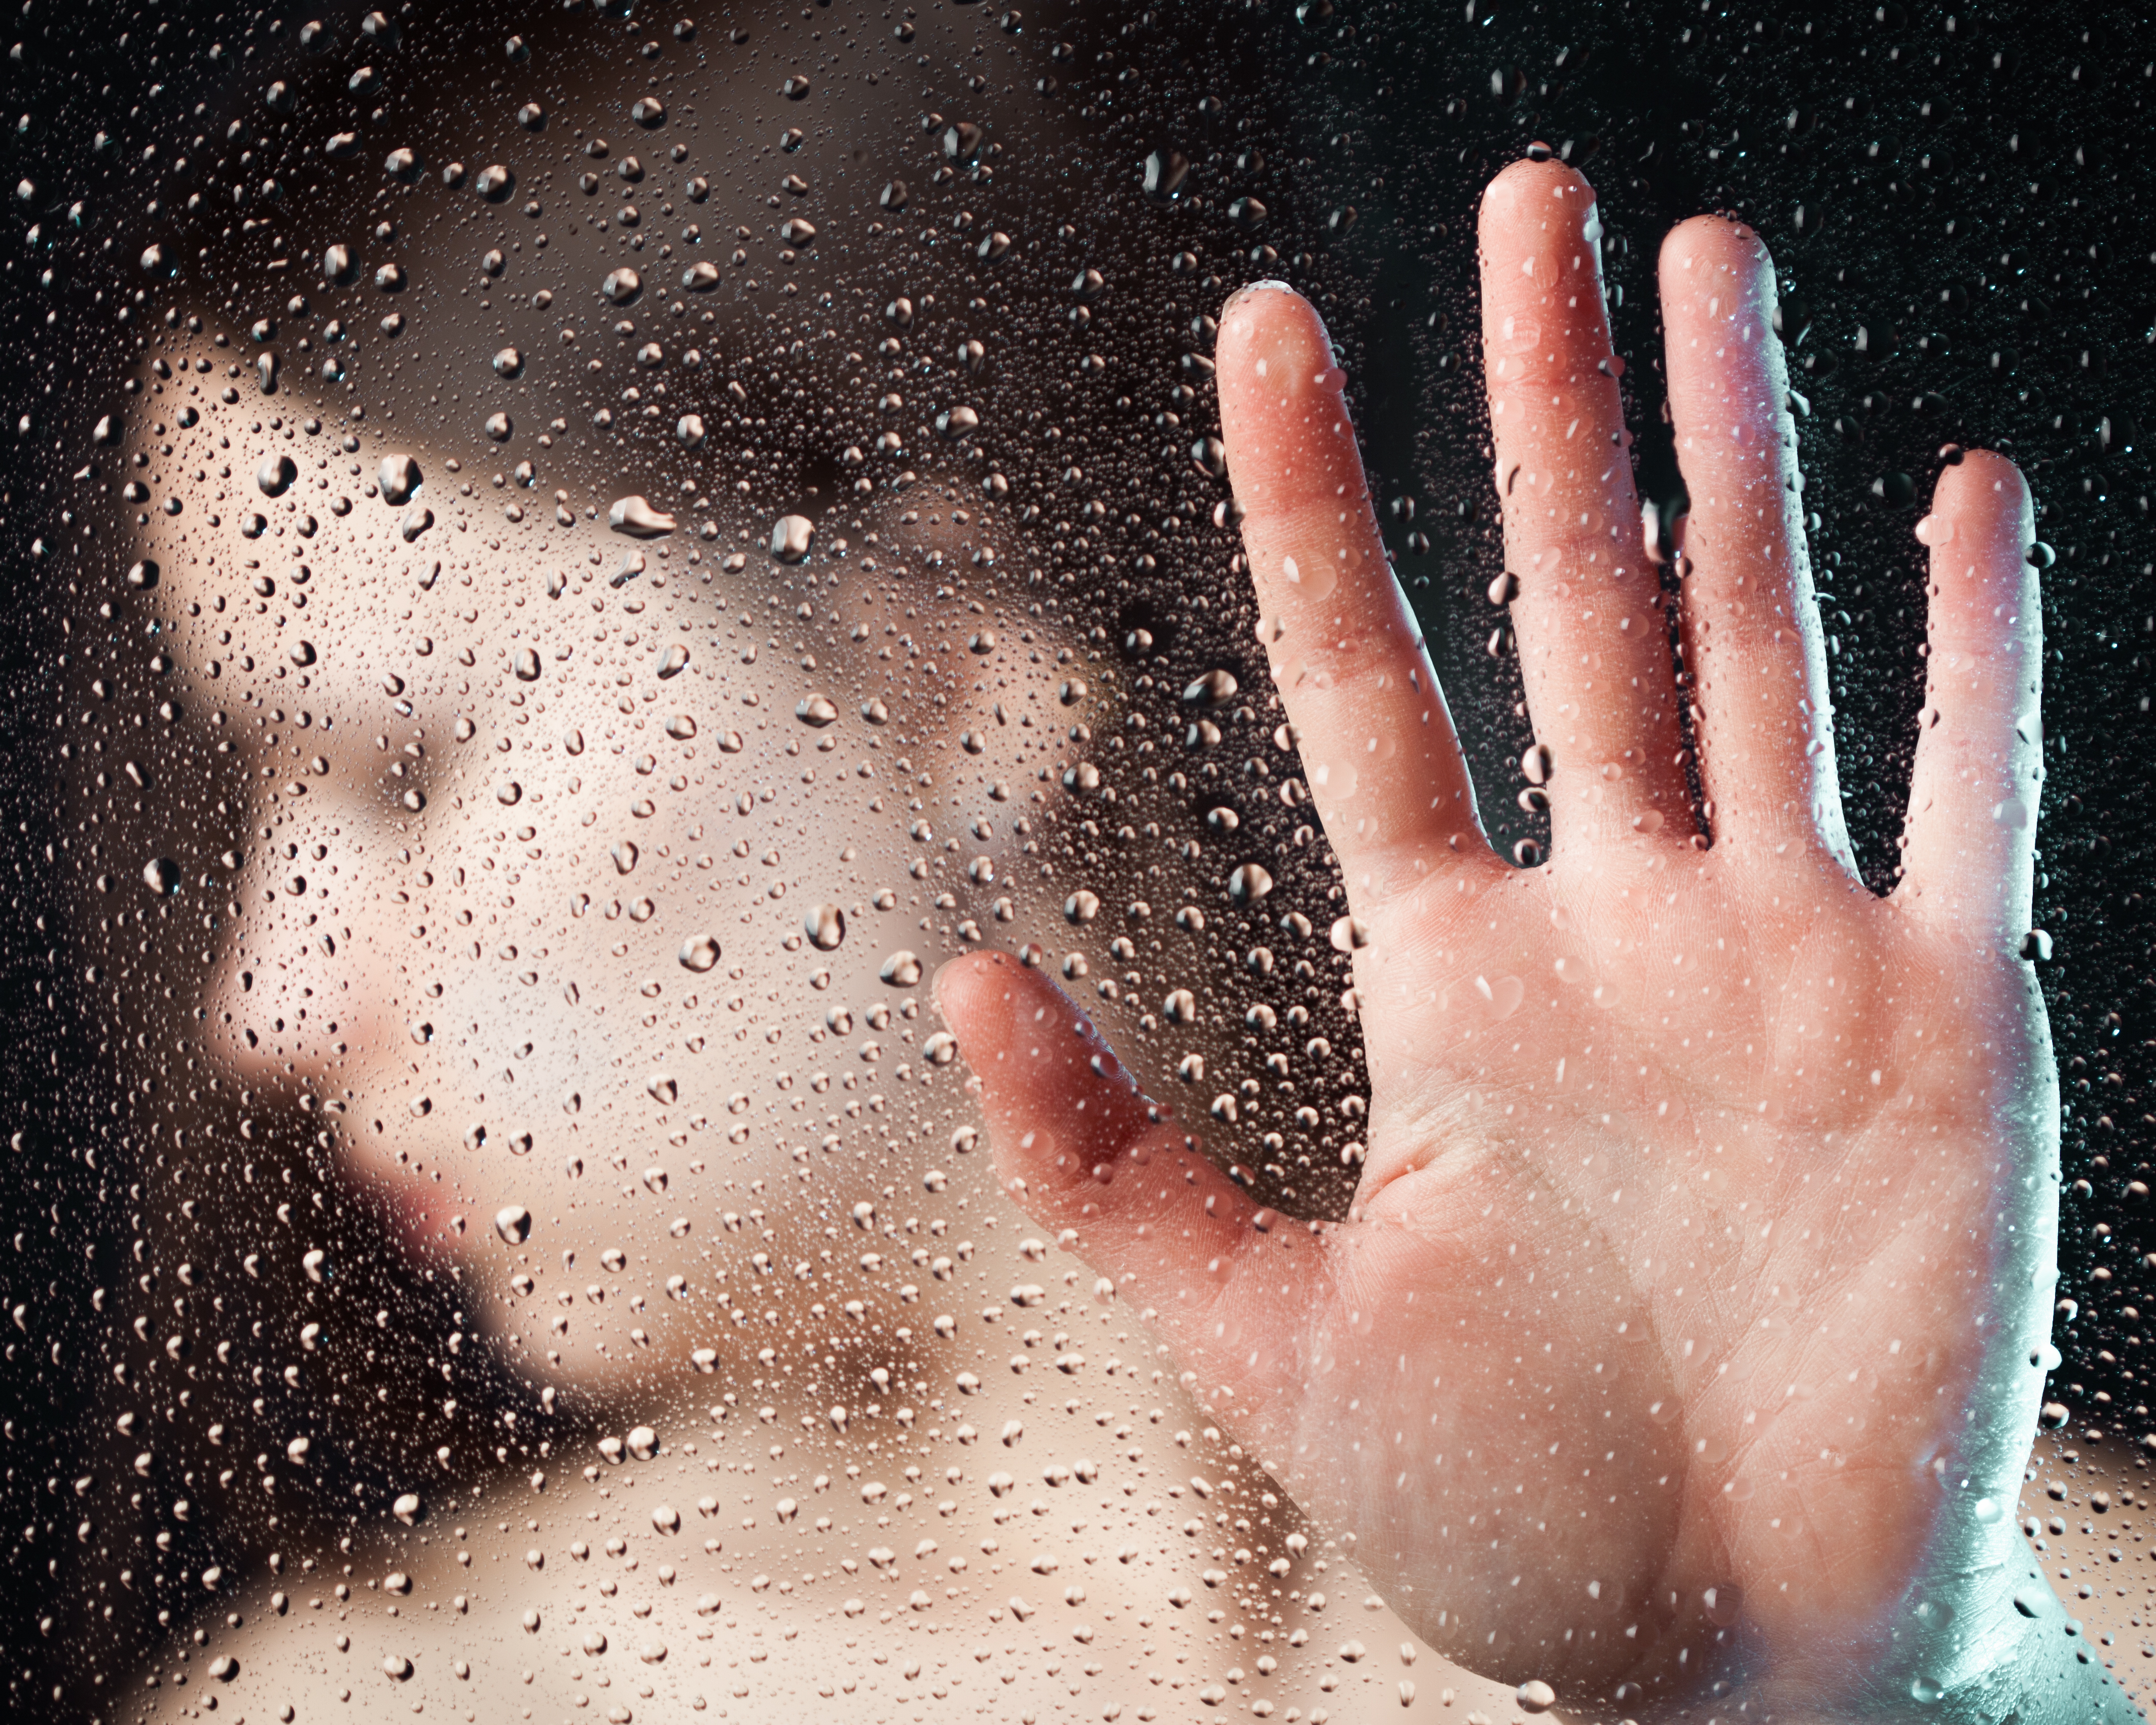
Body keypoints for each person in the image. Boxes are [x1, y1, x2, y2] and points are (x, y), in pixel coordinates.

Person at [935, 156, 2135, 1721]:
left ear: (943, 657)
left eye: (499, 725)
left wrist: (1865, 1681)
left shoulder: (2064, 1553)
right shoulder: (524, 1646)